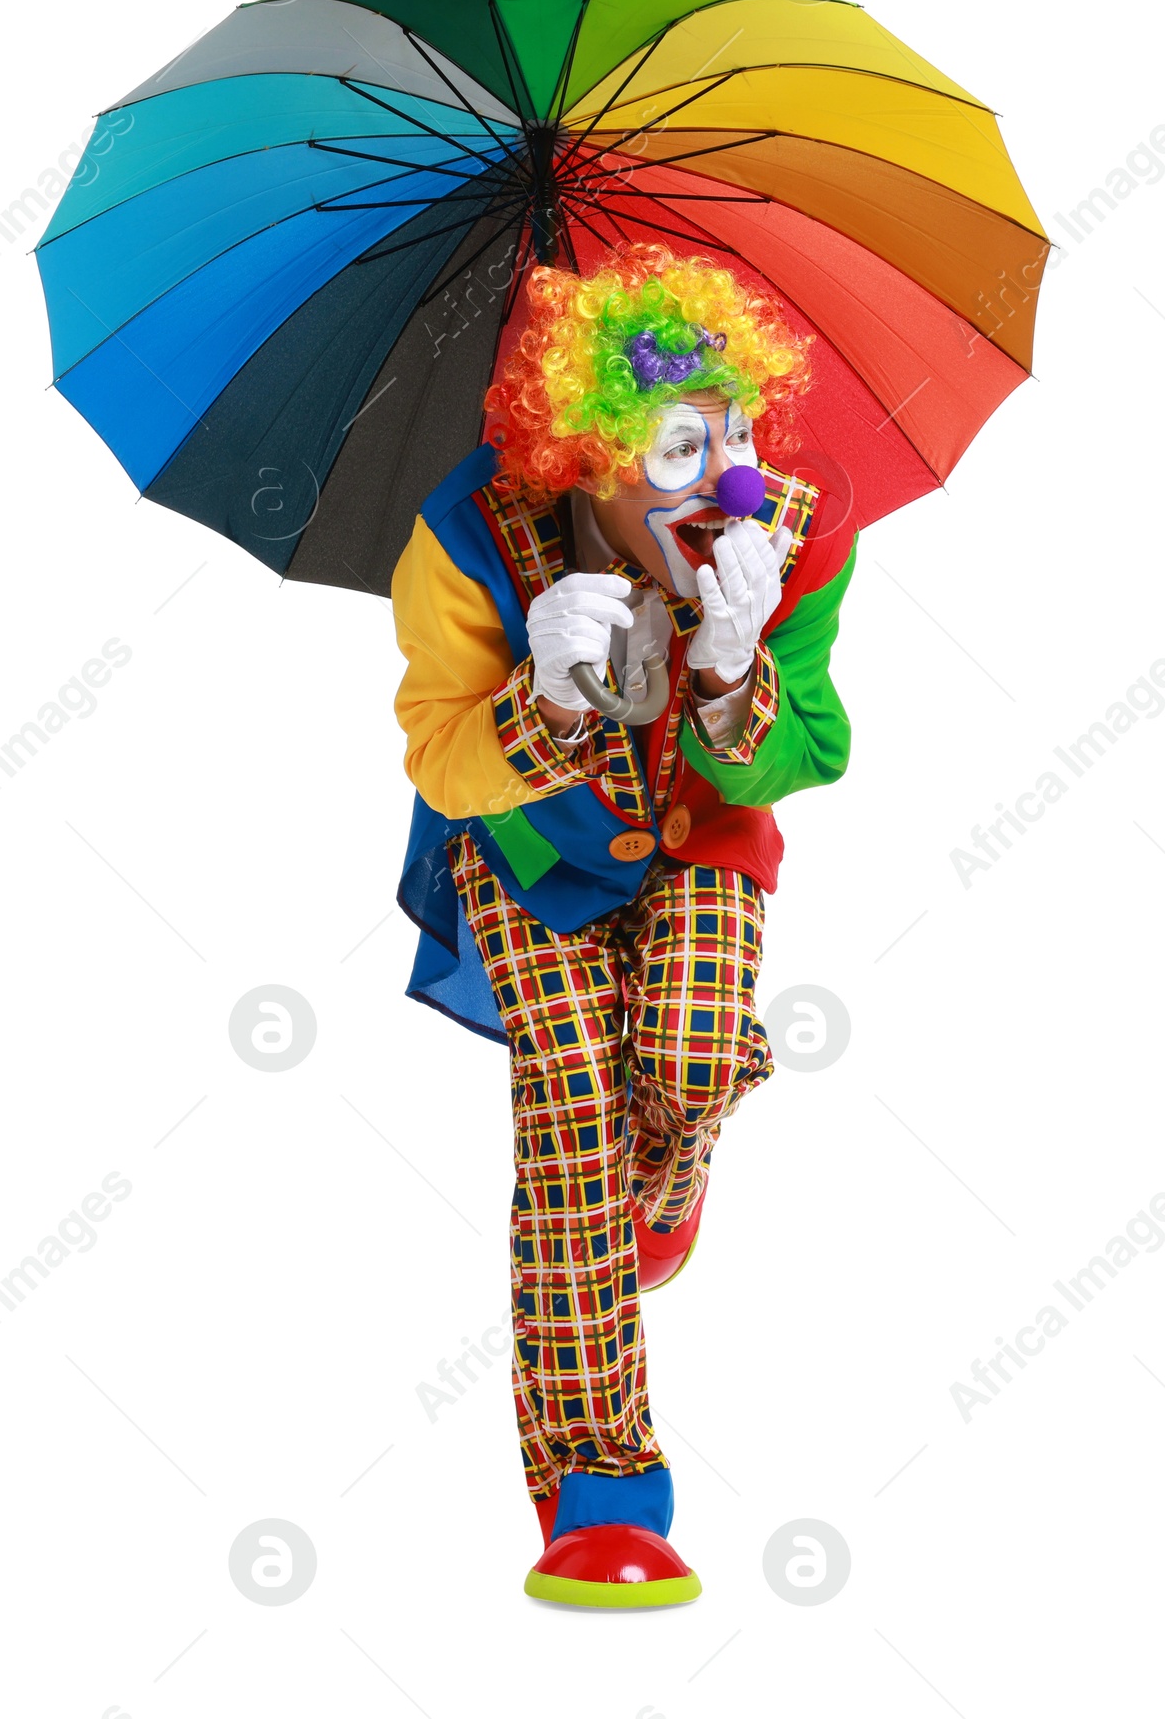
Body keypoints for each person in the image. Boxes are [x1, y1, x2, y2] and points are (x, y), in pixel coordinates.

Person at [390, 242, 856, 1608]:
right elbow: (440, 759)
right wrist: (542, 688)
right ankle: (598, 1491)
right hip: (531, 856)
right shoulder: (465, 537)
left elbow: (814, 744)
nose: (723, 479)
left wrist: (734, 670)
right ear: (587, 453)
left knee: (695, 1057)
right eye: (675, 445)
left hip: (703, 838)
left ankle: (673, 1173)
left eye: (736, 434)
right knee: (574, 1117)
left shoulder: (795, 531)